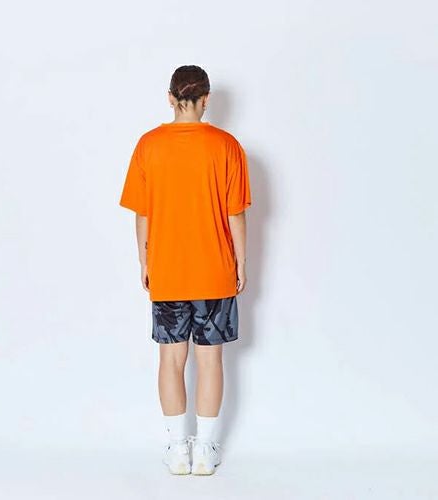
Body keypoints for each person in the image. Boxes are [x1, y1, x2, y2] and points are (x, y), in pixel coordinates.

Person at [118, 65, 251, 475]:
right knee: (211, 362)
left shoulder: (149, 145)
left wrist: (144, 260)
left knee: (170, 361)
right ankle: (205, 451)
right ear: (206, 99)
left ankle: (178, 450)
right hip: (214, 271)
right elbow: (235, 214)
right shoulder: (227, 146)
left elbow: (142, 213)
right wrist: (241, 261)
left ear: (170, 98)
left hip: (168, 270)